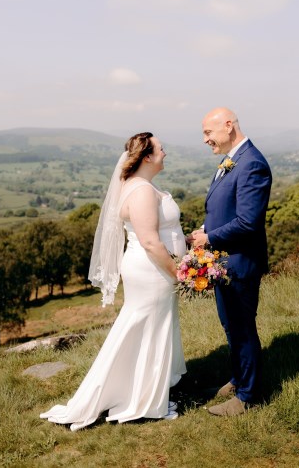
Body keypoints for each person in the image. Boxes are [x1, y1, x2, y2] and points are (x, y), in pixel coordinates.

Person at [40, 132, 187, 430]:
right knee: (146, 328)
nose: (165, 152)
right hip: (152, 270)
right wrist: (178, 273)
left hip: (149, 269)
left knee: (146, 328)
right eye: (161, 148)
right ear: (147, 156)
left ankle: (144, 391)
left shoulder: (139, 185)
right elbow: (149, 241)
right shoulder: (142, 191)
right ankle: (143, 400)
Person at [192, 107, 272, 416]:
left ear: (229, 125)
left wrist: (207, 239)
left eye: (208, 133)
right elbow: (224, 209)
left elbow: (248, 222)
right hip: (224, 264)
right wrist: (204, 230)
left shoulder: (251, 163)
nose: (205, 139)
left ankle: (248, 397)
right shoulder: (231, 161)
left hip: (240, 263)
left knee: (242, 327)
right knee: (231, 327)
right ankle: (239, 380)